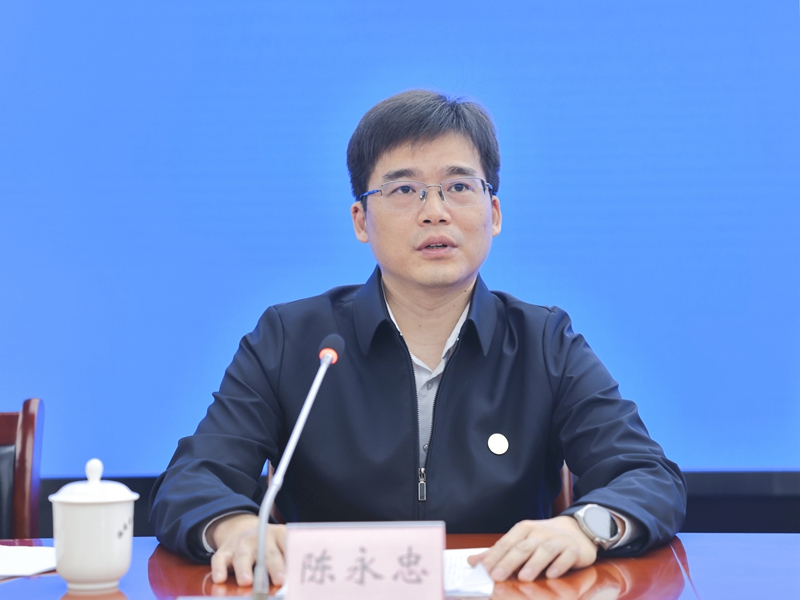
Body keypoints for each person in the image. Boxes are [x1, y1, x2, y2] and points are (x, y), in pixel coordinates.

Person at [149, 89, 686, 587]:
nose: (435, 211)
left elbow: (648, 475)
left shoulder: (543, 342)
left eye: (459, 187)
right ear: (361, 220)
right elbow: (190, 481)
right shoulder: (293, 339)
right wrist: (237, 529)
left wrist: (584, 527)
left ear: (494, 213)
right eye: (404, 189)